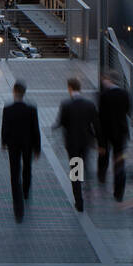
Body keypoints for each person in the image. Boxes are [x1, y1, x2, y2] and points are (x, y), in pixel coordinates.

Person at [54, 77, 97, 212]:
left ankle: (79, 201)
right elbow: (96, 124)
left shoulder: (66, 104)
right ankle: (88, 185)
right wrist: (98, 142)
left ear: (70, 88)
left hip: (72, 143)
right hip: (86, 141)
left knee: (75, 171)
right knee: (85, 163)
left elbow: (61, 122)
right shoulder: (89, 104)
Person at [0, 81, 41, 222]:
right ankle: (26, 191)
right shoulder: (31, 109)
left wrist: (4, 142)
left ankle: (17, 205)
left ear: (14, 92)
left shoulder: (8, 109)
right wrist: (37, 147)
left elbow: (4, 127)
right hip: (27, 143)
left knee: (14, 172)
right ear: (24, 93)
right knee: (27, 167)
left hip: (13, 144)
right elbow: (36, 129)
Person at [96, 72, 130, 202]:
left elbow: (100, 115)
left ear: (109, 80)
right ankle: (119, 192)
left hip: (105, 132)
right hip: (121, 133)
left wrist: (98, 135)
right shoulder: (124, 94)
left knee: (103, 155)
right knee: (120, 161)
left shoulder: (103, 95)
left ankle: (102, 175)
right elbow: (127, 110)